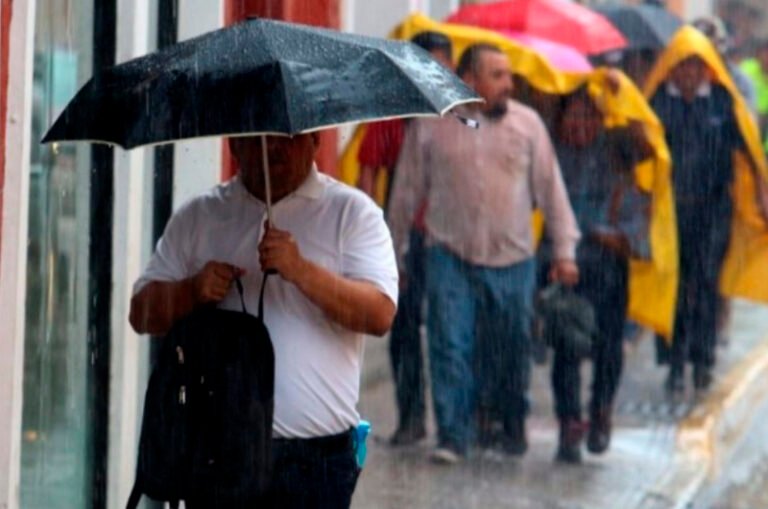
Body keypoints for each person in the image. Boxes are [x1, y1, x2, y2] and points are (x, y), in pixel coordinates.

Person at [129, 133, 398, 508]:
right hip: (219, 456)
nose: (273, 147)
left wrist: (301, 270)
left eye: (286, 138)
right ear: (234, 146)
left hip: (314, 463)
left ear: (314, 140)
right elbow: (141, 313)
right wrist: (191, 290)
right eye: (258, 138)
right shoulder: (199, 216)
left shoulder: (353, 214)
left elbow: (379, 314)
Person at [388, 43, 581, 463]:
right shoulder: (432, 124)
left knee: (511, 350)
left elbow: (551, 191)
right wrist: (393, 255)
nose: (508, 84)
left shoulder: (527, 124)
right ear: (469, 80)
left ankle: (510, 423)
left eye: (509, 75)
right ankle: (452, 435)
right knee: (449, 345)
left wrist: (565, 251)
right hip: (449, 256)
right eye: (498, 76)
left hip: (513, 261)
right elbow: (405, 193)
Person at [544, 88, 653, 463]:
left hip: (608, 268)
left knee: (608, 347)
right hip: (564, 266)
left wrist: (618, 93)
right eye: (573, 115)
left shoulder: (617, 150)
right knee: (566, 347)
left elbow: (650, 146)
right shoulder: (551, 155)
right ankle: (569, 423)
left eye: (589, 116)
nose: (580, 124)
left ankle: (601, 411)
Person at [356, 31, 453, 446]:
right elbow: (368, 172)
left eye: (443, 65)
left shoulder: (459, 117)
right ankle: (412, 417)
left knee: (453, 330)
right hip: (403, 238)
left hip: (449, 238)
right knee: (406, 328)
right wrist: (370, 233)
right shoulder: (391, 114)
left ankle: (457, 423)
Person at [649, 54, 743, 393]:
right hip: (671, 212)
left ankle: (702, 360)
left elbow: (746, 146)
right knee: (674, 285)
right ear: (672, 68)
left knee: (706, 285)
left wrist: (760, 193)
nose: (688, 73)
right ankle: (675, 362)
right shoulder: (659, 102)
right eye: (682, 65)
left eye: (695, 66)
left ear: (705, 70)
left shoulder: (721, 102)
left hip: (713, 210)